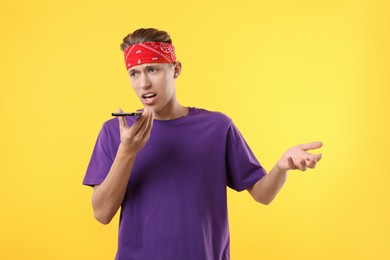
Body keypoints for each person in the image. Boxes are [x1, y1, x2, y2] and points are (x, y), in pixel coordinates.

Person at [83, 28, 323, 260]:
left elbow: (262, 194)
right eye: (134, 73)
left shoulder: (217, 127)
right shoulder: (116, 132)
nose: (143, 83)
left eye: (152, 69)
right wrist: (127, 151)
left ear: (175, 69)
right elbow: (102, 214)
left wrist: (282, 167)